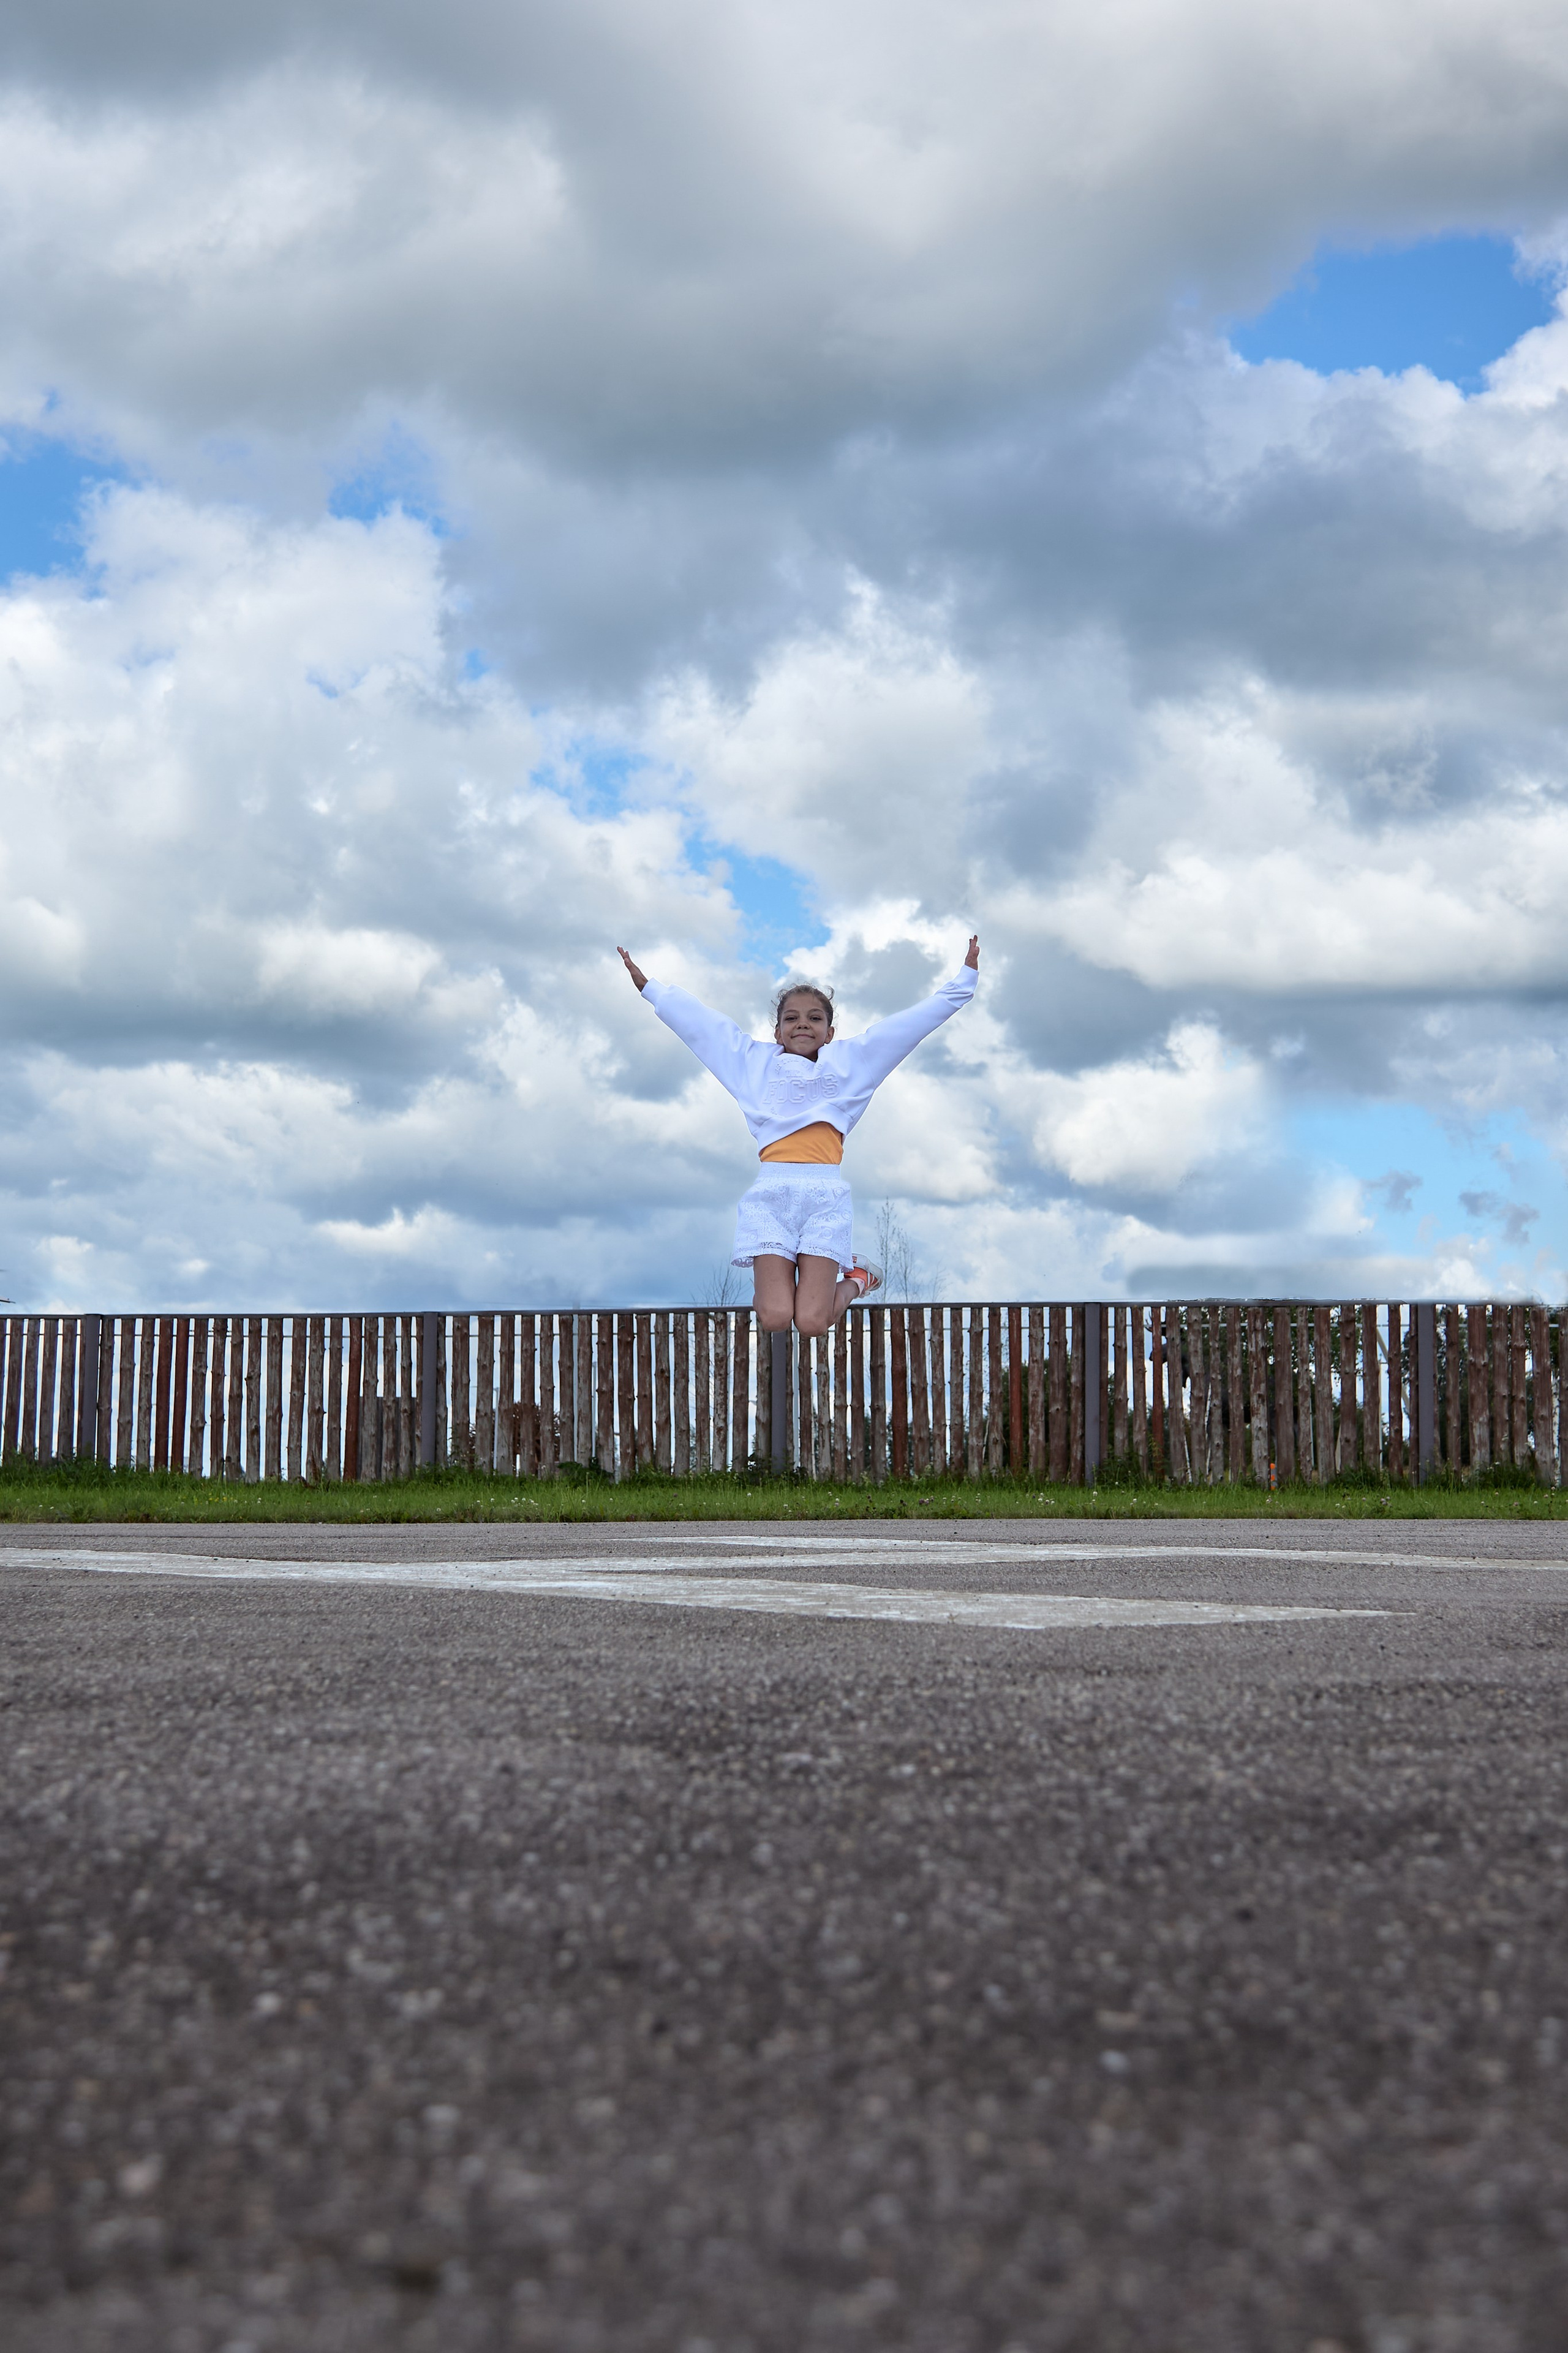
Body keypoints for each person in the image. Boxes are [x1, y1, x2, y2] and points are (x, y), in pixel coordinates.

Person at [616, 936, 979, 1336]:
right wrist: (651, 989)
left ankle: (857, 1278)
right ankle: (792, 1283)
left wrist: (963, 983)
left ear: (829, 1032)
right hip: (771, 1196)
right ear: (777, 1032)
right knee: (774, 1317)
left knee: (810, 1322)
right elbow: (706, 1030)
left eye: (814, 1018)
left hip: (823, 1198)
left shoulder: (852, 1063)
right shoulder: (752, 1064)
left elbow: (907, 1027)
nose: (802, 1023)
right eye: (791, 1018)